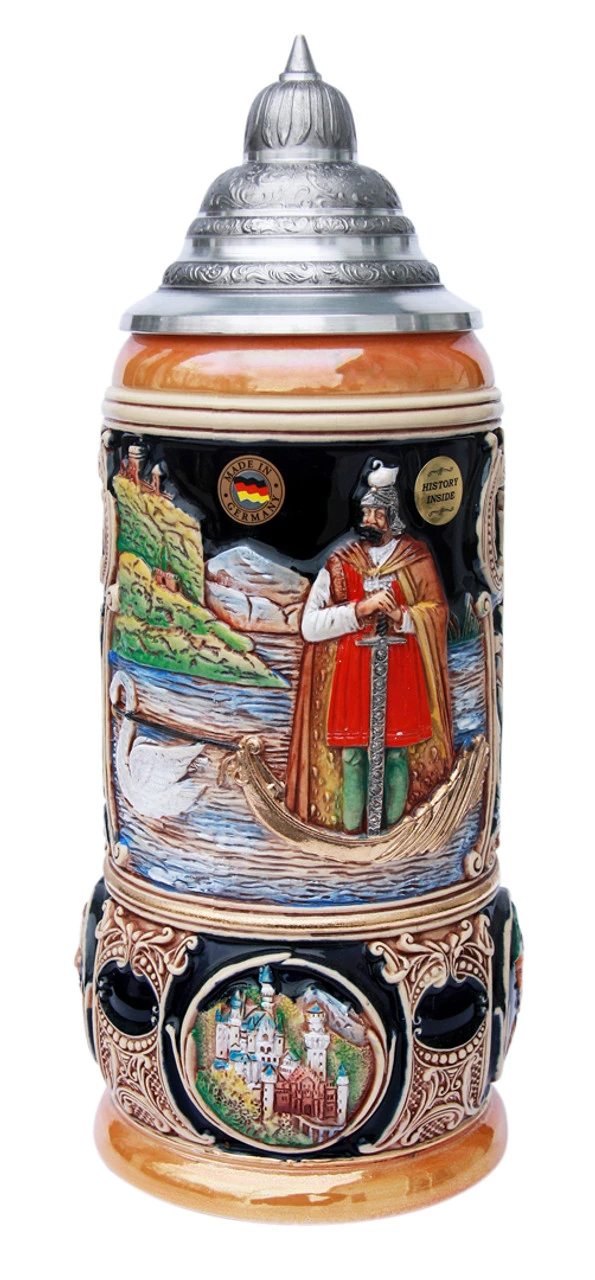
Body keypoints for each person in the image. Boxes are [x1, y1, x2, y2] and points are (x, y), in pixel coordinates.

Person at [286, 460, 454, 834]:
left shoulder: (416, 557)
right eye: (366, 512)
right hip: (351, 672)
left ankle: (391, 831)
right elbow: (310, 626)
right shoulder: (340, 561)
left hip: (402, 671)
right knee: (352, 755)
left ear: (392, 516)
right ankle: (351, 833)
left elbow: (437, 613)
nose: (369, 520)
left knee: (396, 753)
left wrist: (402, 615)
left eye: (377, 513)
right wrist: (359, 610)